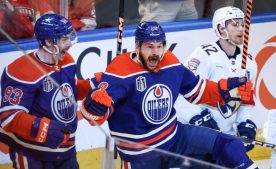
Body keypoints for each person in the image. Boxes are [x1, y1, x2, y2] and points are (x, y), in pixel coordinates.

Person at [80, 21, 257, 169]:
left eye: (159, 46)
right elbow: (97, 114)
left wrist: (224, 89)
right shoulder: (120, 70)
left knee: (228, 145)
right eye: (149, 46)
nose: (155, 52)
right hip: (140, 153)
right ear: (137, 46)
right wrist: (94, 107)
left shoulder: (170, 62)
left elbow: (197, 90)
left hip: (174, 136)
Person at [0, 13, 94, 169]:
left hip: (67, 150)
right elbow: (8, 116)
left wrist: (93, 86)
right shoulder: (21, 71)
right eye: (64, 39)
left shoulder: (67, 61)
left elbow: (70, 92)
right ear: (49, 42)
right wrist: (43, 128)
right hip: (32, 155)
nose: (69, 44)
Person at [176, 6, 258, 152]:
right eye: (234, 24)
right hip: (194, 136)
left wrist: (245, 125)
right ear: (221, 29)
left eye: (242, 24)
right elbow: (182, 93)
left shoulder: (250, 64)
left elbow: (245, 102)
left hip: (225, 138)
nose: (241, 29)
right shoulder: (204, 55)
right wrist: (197, 117)